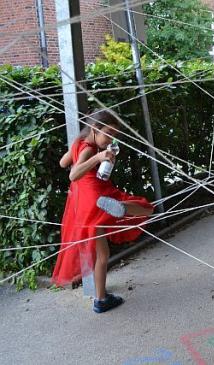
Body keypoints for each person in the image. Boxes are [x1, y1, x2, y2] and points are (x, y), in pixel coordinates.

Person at [52, 109, 154, 313]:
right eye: (108, 134)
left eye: (114, 136)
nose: (110, 140)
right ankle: (122, 208)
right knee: (146, 209)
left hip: (84, 204)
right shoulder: (90, 149)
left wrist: (93, 159)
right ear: (94, 128)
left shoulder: (78, 143)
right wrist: (98, 158)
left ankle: (101, 299)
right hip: (97, 198)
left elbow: (63, 162)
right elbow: (73, 174)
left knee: (102, 255)